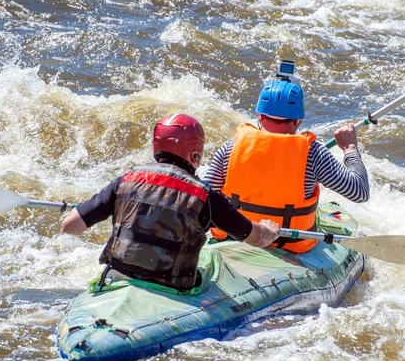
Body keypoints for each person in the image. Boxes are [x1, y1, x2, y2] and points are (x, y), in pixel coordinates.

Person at [61, 113, 280, 291]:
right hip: (172, 286)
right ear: (195, 154)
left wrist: (111, 206)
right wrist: (269, 230)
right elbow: (253, 237)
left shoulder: (125, 181)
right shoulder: (206, 197)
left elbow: (69, 226)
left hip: (119, 276)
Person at [203, 78, 370, 253]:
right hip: (290, 245)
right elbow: (360, 192)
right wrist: (350, 148)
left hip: (234, 238)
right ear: (298, 121)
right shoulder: (313, 153)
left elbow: (203, 199)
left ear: (259, 116)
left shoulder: (231, 147)